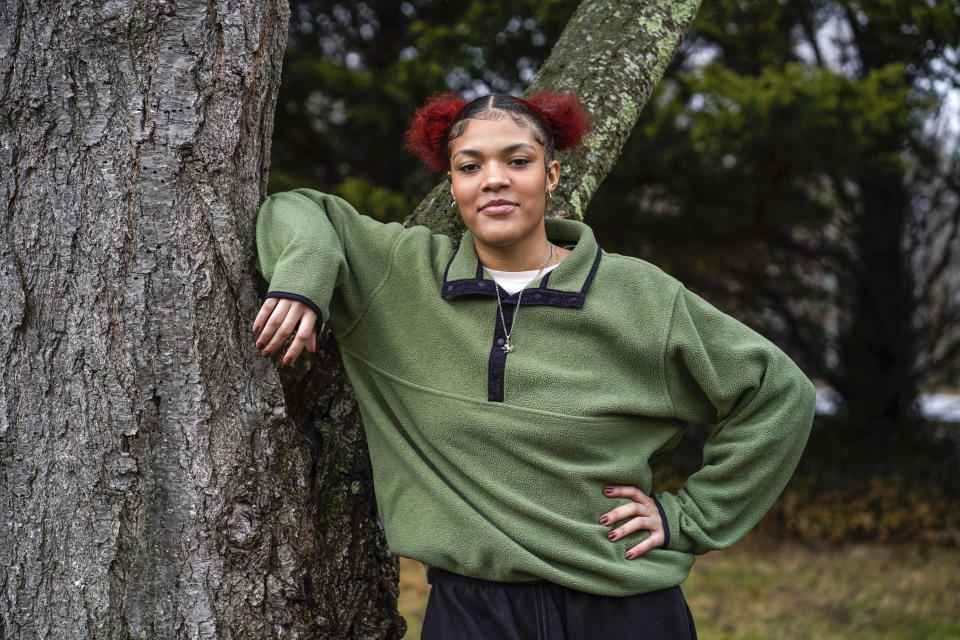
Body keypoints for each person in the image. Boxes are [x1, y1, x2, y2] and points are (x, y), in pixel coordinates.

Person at [252, 91, 817, 639]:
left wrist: (689, 517)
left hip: (625, 607)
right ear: (452, 187)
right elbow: (296, 207)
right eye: (469, 166)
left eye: (517, 161)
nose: (493, 178)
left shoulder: (640, 296)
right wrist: (305, 281)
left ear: (550, 175)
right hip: (472, 612)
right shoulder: (399, 276)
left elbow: (777, 391)